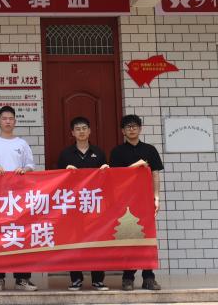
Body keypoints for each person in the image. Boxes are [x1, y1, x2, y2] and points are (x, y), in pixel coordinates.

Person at [0, 105, 38, 292]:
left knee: (21, 236)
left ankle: (22, 279)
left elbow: (30, 166)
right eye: (4, 118)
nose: (8, 121)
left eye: (11, 118)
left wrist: (24, 170)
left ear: (15, 121)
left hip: (19, 199)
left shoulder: (22, 144)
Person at [109, 114, 164, 291]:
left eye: (134, 126)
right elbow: (115, 176)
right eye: (128, 127)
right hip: (126, 201)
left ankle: (149, 277)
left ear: (140, 129)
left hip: (146, 200)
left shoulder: (150, 150)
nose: (131, 129)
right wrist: (135, 166)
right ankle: (128, 277)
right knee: (128, 237)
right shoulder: (117, 152)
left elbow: (155, 174)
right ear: (122, 131)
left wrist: (156, 197)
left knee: (147, 236)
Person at [55, 116, 110, 292]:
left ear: (90, 131)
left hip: (94, 204)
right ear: (72, 133)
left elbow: (107, 180)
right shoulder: (66, 154)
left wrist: (106, 171)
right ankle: (76, 279)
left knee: (97, 241)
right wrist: (65, 172)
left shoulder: (98, 152)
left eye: (84, 128)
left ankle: (98, 280)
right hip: (73, 205)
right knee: (74, 242)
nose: (81, 131)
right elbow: (57, 180)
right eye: (77, 129)